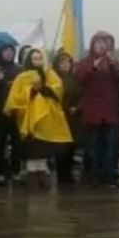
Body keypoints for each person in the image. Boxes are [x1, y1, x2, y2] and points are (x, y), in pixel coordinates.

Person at [4, 49, 74, 188]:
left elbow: (58, 89)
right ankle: (32, 175)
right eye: (35, 59)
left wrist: (44, 89)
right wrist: (31, 90)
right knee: (32, 148)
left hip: (46, 119)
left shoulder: (49, 74)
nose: (37, 61)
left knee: (43, 148)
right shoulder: (22, 76)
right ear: (29, 60)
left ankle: (43, 173)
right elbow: (15, 97)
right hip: (29, 119)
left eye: (40, 58)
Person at [75, 31, 119, 187]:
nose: (101, 46)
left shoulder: (113, 63)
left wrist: (114, 66)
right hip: (92, 111)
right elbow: (80, 79)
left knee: (109, 146)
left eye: (104, 43)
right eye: (98, 43)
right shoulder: (85, 62)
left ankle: (109, 176)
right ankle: (93, 176)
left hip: (110, 110)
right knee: (93, 146)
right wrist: (93, 69)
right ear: (92, 45)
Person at [0, 44, 22, 186]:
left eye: (11, 51)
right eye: (6, 51)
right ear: (1, 52)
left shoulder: (19, 69)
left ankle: (16, 171)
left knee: (17, 143)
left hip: (16, 110)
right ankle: (0, 172)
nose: (9, 54)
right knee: (0, 142)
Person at [52, 51, 81, 185]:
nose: (65, 65)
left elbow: (81, 95)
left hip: (73, 118)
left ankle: (68, 175)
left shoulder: (75, 79)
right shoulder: (53, 79)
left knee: (70, 147)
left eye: (67, 62)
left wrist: (77, 107)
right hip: (58, 117)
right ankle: (61, 176)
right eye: (62, 62)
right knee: (60, 148)